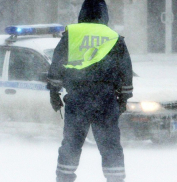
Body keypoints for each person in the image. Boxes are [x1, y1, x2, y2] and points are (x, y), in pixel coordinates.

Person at [47, 0, 133, 181]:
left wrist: (54, 92)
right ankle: (115, 179)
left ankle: (64, 177)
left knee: (71, 143)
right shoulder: (113, 37)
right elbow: (125, 71)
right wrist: (124, 99)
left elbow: (57, 65)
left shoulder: (72, 34)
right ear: (105, 14)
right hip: (106, 99)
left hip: (78, 98)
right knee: (110, 145)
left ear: (82, 13)